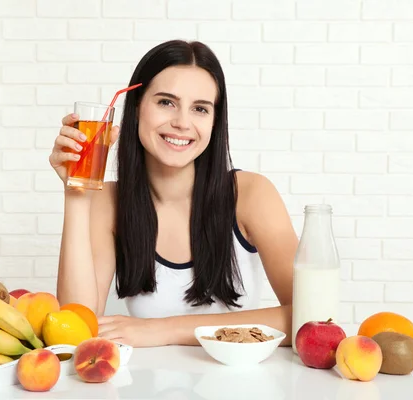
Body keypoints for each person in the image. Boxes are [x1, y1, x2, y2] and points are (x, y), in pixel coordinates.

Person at [49, 40, 298, 348]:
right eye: (166, 102)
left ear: (214, 121)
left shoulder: (251, 194)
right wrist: (76, 193)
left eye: (200, 108)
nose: (182, 122)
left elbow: (310, 316)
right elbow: (77, 326)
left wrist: (161, 330)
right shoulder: (108, 203)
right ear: (137, 106)